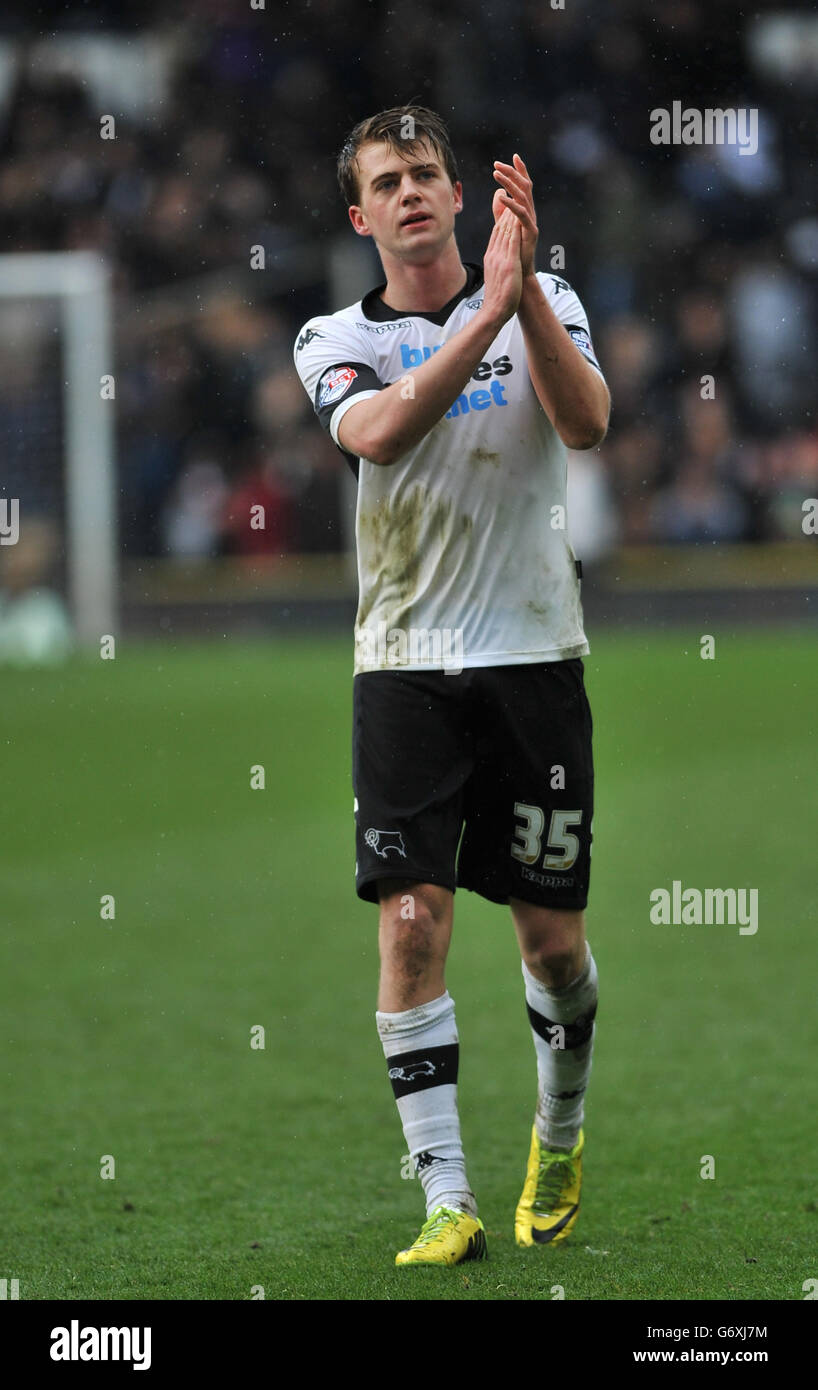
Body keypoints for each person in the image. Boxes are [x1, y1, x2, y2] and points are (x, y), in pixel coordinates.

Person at [293, 105, 610, 1267]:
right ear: (359, 213)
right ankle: (445, 1197)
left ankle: (559, 1137)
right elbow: (377, 437)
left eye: (427, 170)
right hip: (406, 669)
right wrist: (485, 310)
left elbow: (587, 422)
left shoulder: (546, 304)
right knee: (411, 926)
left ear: (460, 194)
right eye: (388, 179)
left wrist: (518, 294)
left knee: (550, 947)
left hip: (534, 659)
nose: (412, 190)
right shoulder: (337, 336)